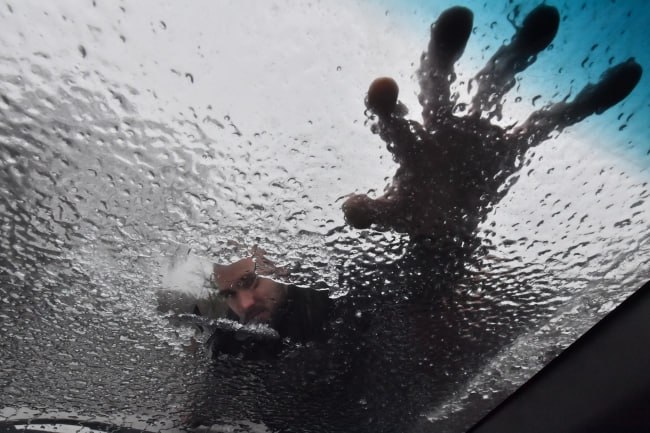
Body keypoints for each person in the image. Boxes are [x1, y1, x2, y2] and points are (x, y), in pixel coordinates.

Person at [200, 4, 641, 362]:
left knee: (521, 117)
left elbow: (423, 319)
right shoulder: (226, 342)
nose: (244, 305)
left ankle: (510, 65)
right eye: (229, 295)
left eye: (250, 281)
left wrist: (444, 227)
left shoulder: (341, 289)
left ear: (275, 263)